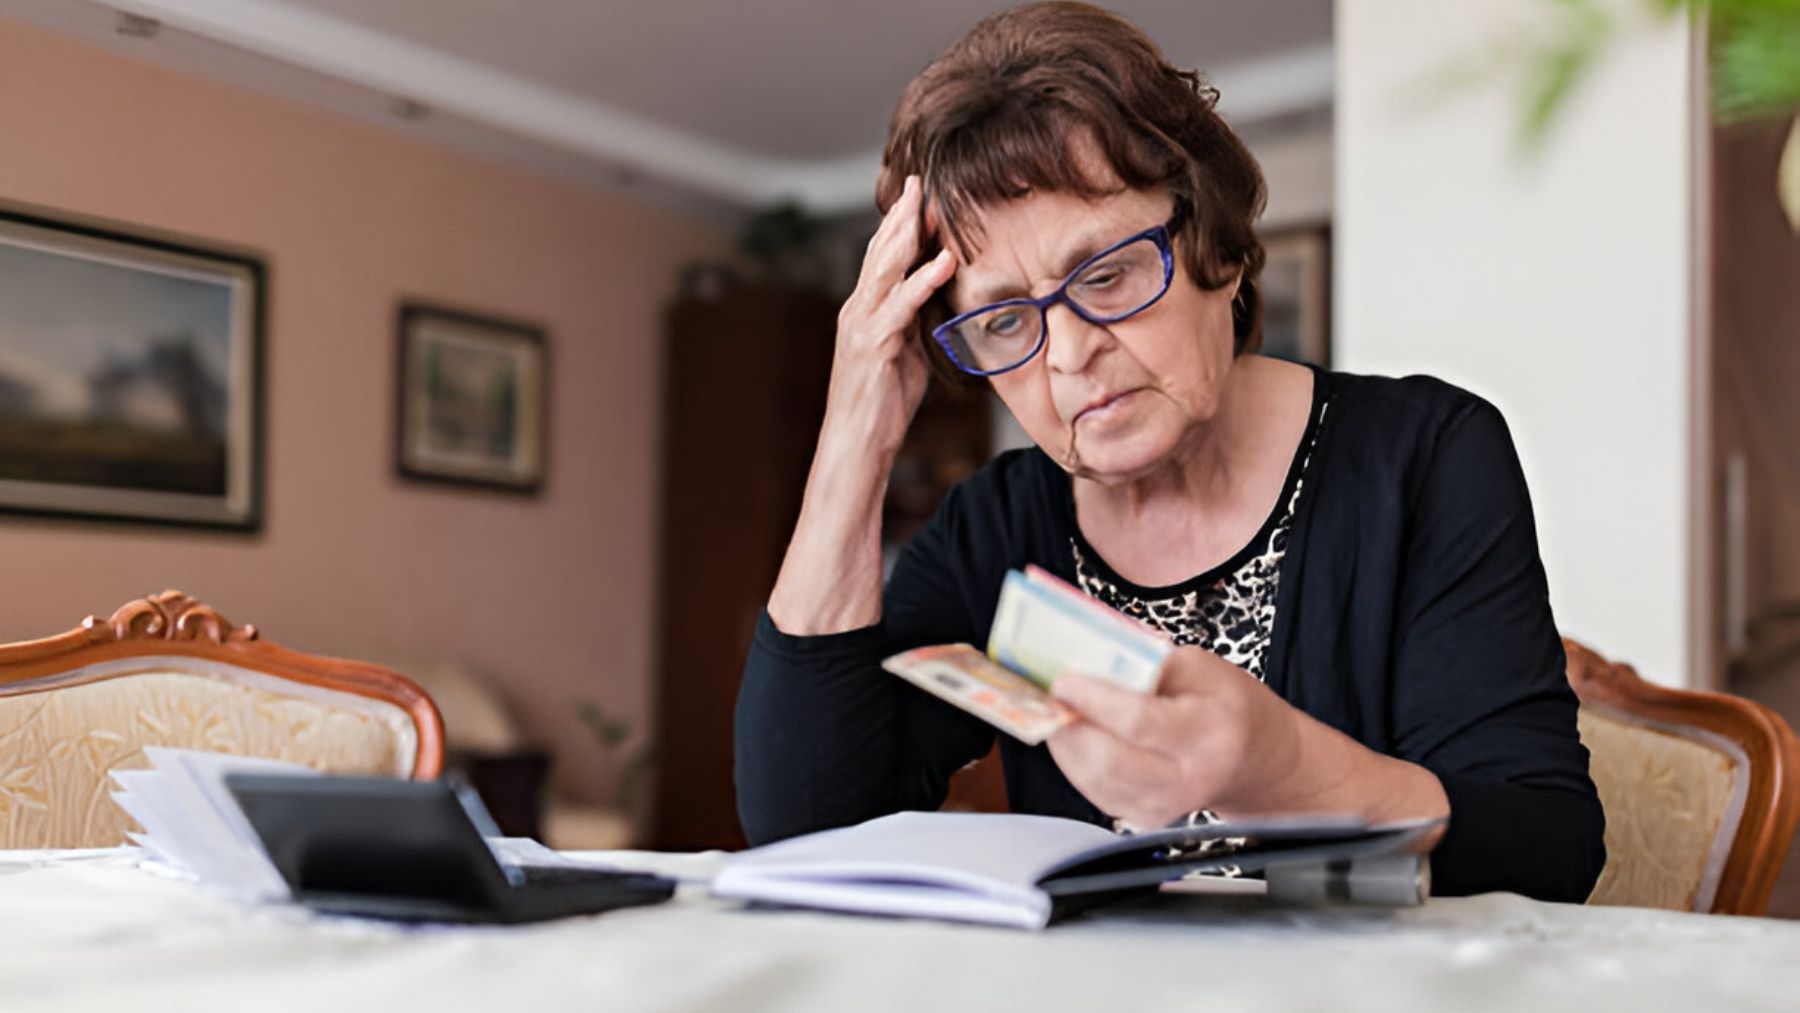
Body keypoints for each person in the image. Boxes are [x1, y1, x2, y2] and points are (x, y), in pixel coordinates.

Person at [734, 1, 1604, 902]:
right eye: (1003, 321)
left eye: (1105, 274)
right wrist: (853, 437)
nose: (1069, 355)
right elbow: (805, 822)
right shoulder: (992, 526)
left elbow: (1548, 849)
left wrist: (1283, 766)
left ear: (1214, 244)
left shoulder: (1423, 459)